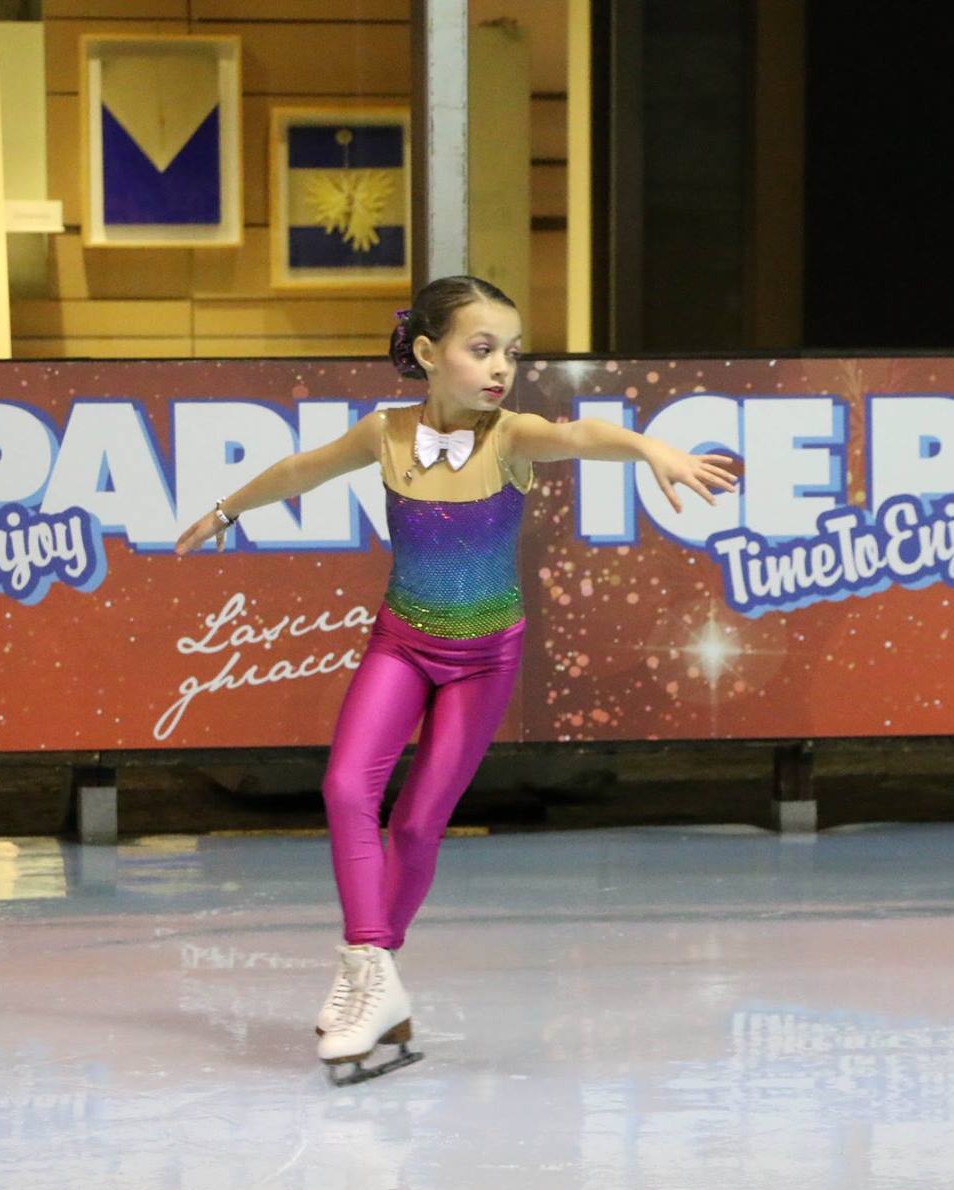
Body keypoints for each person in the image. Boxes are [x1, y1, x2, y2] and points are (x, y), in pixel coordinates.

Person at [173, 275, 739, 1084]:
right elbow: (301, 470)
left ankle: (371, 970)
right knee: (343, 787)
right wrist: (227, 509)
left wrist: (652, 448)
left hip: (483, 660)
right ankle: (370, 971)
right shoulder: (384, 433)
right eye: (482, 349)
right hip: (400, 645)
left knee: (414, 827)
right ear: (430, 354)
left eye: (511, 351)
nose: (502, 367)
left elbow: (580, 436)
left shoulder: (511, 439)